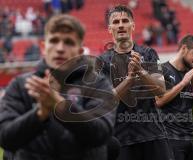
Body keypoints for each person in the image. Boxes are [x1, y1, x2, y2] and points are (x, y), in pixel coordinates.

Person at [0, 14, 117, 160]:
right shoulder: (21, 85)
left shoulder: (98, 84)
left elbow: (102, 134)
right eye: (54, 41)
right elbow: (5, 138)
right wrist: (39, 114)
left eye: (69, 42)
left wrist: (61, 107)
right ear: (43, 47)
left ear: (80, 52)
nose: (60, 48)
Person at [97, 5, 174, 160]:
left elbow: (160, 90)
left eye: (125, 20)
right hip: (121, 139)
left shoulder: (148, 53)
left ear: (132, 26)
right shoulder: (102, 61)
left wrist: (141, 71)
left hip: (153, 135)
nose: (120, 25)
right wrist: (130, 79)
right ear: (109, 28)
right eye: (116, 22)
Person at [155, 35, 193, 160]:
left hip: (192, 136)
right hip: (170, 137)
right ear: (184, 48)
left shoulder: (192, 73)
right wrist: (184, 83)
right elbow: (158, 101)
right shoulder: (161, 70)